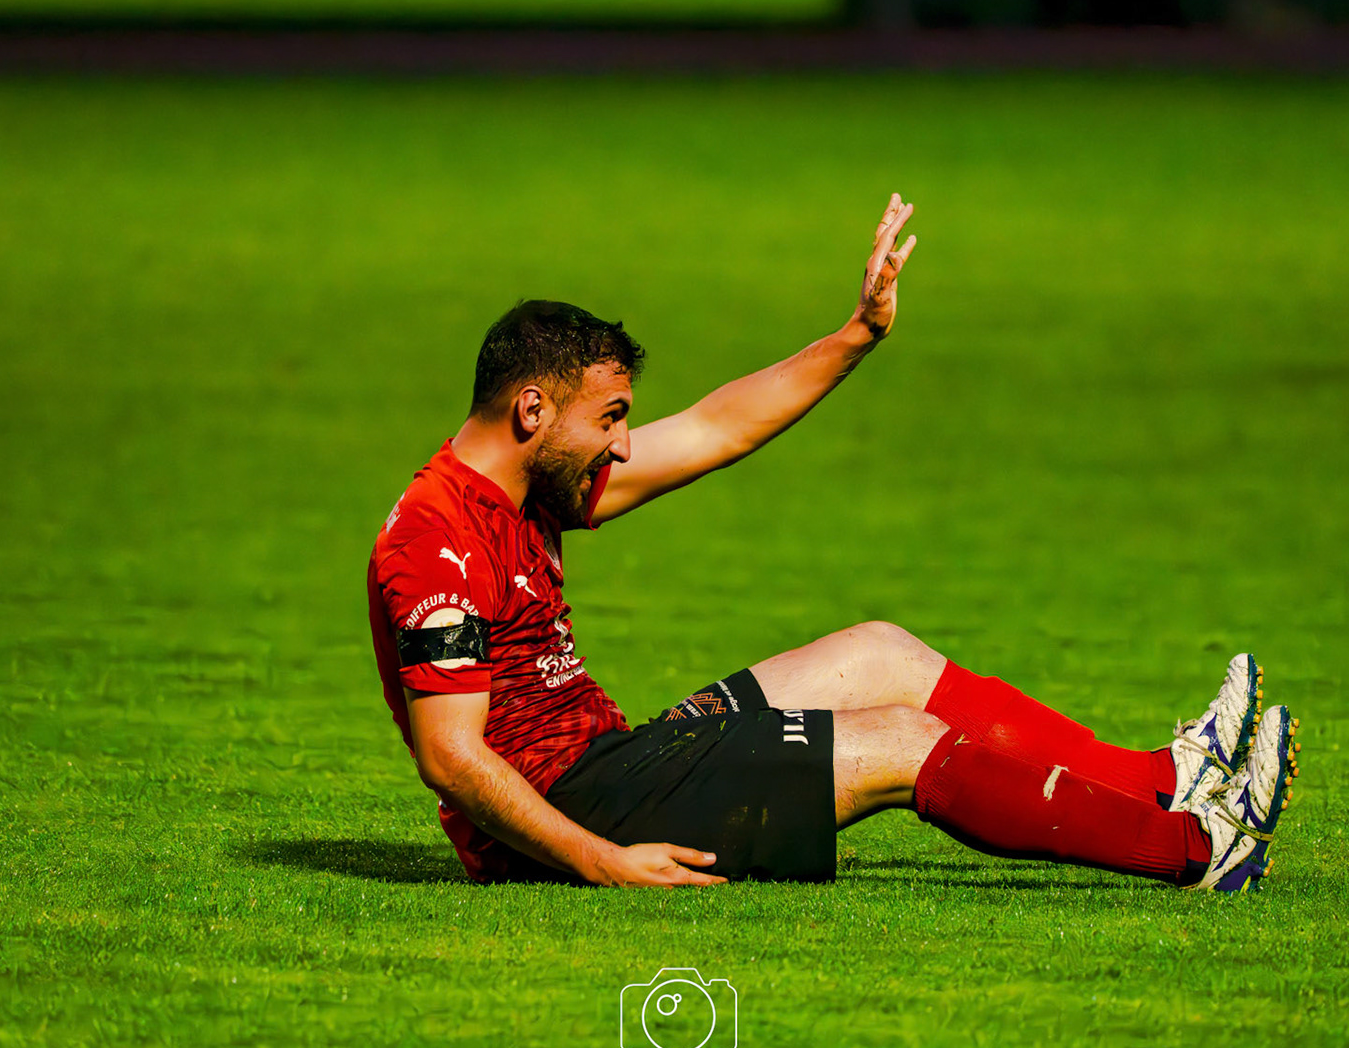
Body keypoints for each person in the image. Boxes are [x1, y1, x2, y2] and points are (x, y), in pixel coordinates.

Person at [366, 194, 1301, 891]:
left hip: (617, 768)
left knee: (879, 655)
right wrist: (600, 862)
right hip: (576, 815)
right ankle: (1203, 847)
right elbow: (449, 756)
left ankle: (1169, 780)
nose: (621, 443)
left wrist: (856, 335)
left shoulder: (533, 480)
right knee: (900, 743)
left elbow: (715, 428)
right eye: (610, 419)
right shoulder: (434, 539)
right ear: (533, 408)